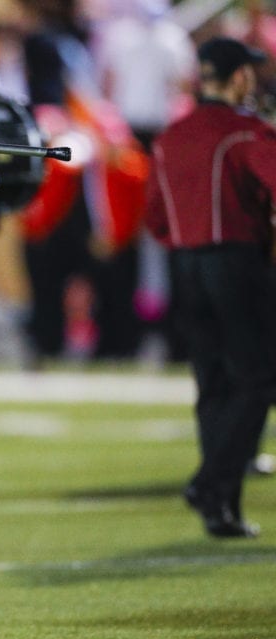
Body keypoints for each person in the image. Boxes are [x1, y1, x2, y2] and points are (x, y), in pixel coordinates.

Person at [143, 36, 276, 538]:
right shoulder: (245, 132)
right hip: (235, 264)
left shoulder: (169, 136)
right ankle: (211, 482)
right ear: (240, 77)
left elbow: (154, 215)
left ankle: (223, 509)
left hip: (184, 266)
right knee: (257, 379)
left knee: (214, 385)